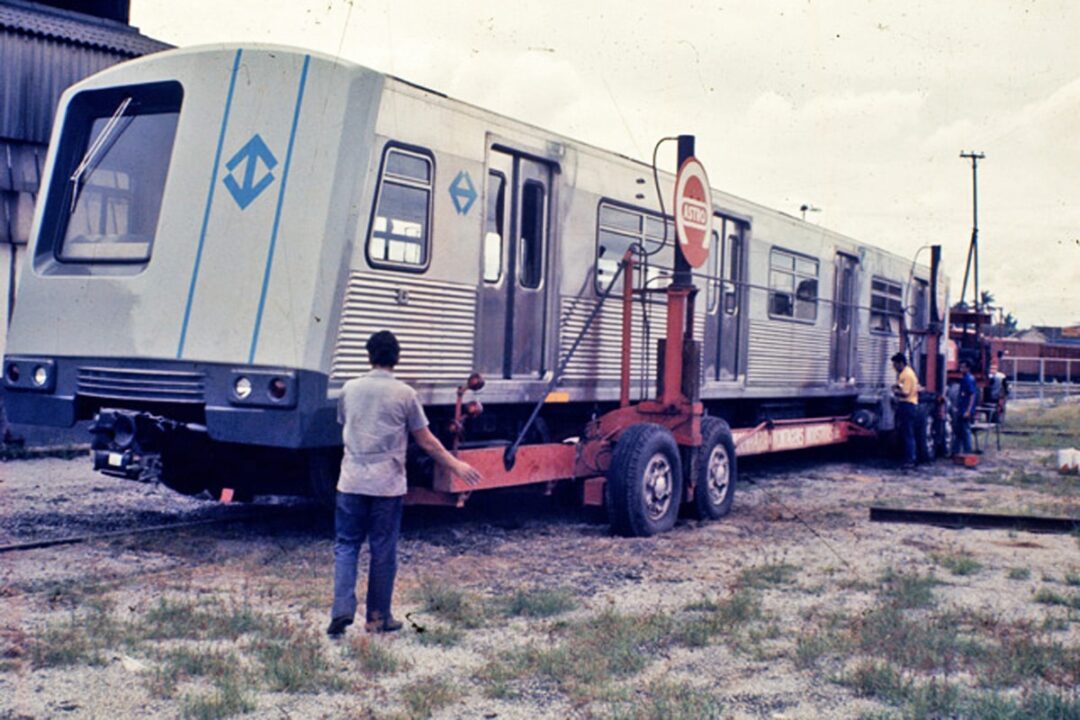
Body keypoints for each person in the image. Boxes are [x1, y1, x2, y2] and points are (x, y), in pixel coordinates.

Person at [328, 330, 482, 637]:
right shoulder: (405, 394)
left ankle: (341, 609)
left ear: (368, 356)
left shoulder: (349, 389)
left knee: (346, 546)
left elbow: (345, 424)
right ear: (396, 359)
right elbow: (426, 441)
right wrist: (456, 465)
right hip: (387, 485)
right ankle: (378, 617)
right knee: (383, 548)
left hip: (351, 481)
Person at [891, 352, 919, 470]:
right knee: (907, 433)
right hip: (908, 406)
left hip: (907, 405)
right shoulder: (907, 373)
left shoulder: (906, 375)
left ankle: (910, 460)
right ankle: (909, 458)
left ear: (901, 363)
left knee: (908, 434)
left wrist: (894, 392)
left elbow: (905, 392)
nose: (894, 367)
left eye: (895, 364)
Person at [955, 359, 978, 454]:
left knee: (965, 430)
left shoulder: (969, 379)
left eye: (963, 367)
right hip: (961, 409)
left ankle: (967, 451)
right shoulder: (964, 379)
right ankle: (956, 451)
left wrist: (968, 410)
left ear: (968, 368)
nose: (961, 369)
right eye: (960, 367)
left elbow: (972, 395)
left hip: (965, 410)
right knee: (959, 430)